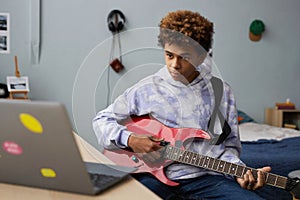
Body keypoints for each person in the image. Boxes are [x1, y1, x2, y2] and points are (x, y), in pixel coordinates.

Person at [93, 10, 271, 200]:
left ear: (202, 56)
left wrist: (238, 173)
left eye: (184, 57)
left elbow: (226, 146)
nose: (174, 65)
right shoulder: (146, 89)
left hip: (207, 179)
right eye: (169, 55)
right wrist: (130, 140)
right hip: (151, 177)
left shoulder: (220, 91)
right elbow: (102, 120)